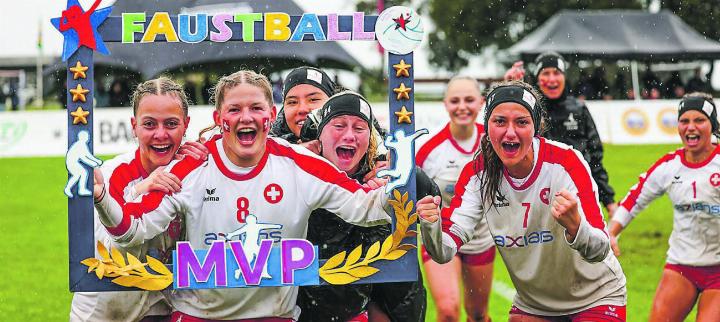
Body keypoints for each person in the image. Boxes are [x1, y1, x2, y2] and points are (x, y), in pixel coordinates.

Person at [93, 70, 396, 321]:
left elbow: (365, 207)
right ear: (218, 117)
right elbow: (132, 230)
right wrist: (102, 197)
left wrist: (402, 183)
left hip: (274, 316)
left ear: (271, 114)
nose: (245, 117)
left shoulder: (300, 165)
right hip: (199, 316)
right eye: (234, 110)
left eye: (256, 108)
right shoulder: (192, 167)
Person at [418, 81, 627, 321]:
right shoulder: (477, 173)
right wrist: (430, 225)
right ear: (487, 125)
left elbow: (600, 249)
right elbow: (445, 251)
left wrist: (576, 227)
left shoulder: (566, 162)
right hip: (534, 305)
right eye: (499, 121)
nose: (509, 132)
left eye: (521, 122)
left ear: (536, 127)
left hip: (596, 297)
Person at [72, 77, 207, 321]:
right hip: (105, 308)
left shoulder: (192, 171)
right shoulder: (113, 174)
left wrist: (212, 160)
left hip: (158, 305)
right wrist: (142, 190)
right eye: (149, 124)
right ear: (134, 126)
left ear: (186, 125)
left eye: (171, 123)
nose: (160, 134)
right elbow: (111, 249)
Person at [294, 91, 432, 322]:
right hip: (295, 308)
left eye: (359, 129)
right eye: (339, 126)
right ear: (318, 136)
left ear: (370, 139)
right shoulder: (287, 167)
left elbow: (401, 291)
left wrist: (402, 172)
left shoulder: (376, 178)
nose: (349, 135)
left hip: (357, 306)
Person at [609, 93, 720, 321]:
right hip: (682, 266)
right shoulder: (669, 166)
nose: (691, 127)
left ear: (713, 125)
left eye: (699, 120)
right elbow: (635, 198)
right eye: (684, 121)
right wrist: (611, 232)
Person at [415, 76, 494, 322]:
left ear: (481, 103)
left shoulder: (495, 143)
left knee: (478, 314)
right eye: (455, 100)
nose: (462, 107)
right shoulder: (429, 151)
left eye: (469, 100)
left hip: (481, 239)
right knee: (448, 311)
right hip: (441, 237)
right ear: (445, 104)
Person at [505, 52, 618, 214]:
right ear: (537, 78)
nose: (552, 79)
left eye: (556, 73)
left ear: (564, 77)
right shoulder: (527, 111)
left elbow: (595, 158)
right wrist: (510, 88)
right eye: (545, 73)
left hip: (578, 192)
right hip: (537, 195)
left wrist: (609, 200)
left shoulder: (579, 109)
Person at [271, 66, 337, 144]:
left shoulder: (351, 146)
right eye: (293, 102)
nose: (302, 109)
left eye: (313, 99)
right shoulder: (264, 151)